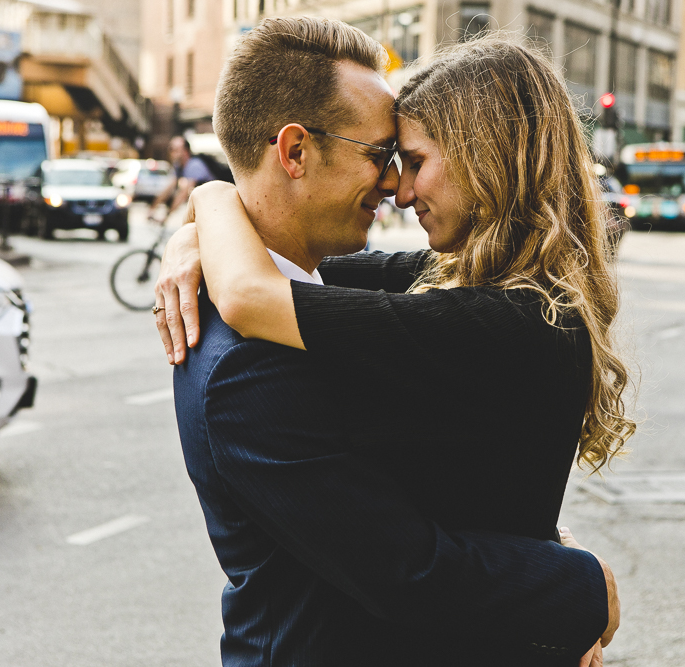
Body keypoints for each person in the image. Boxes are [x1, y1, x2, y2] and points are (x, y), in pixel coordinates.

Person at [157, 18, 619, 667]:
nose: (395, 188)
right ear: (293, 153)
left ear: (485, 159)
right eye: (382, 156)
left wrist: (205, 204)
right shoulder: (246, 366)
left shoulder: (497, 313)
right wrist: (578, 583)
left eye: (412, 162)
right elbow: (406, 569)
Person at [148, 135, 215, 218]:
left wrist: (167, 215)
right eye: (170, 149)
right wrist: (153, 208)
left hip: (214, 205)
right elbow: (169, 188)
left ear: (185, 151)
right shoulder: (178, 166)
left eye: (175, 150)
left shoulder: (194, 165)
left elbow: (184, 193)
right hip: (204, 206)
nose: (171, 153)